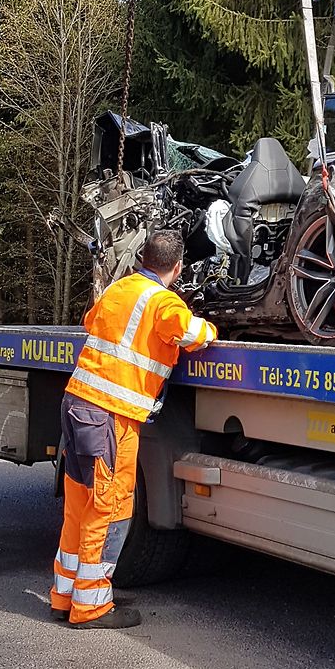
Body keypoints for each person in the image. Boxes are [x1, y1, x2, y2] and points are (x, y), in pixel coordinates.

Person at [50, 230, 217, 629]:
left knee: (80, 504)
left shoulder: (118, 288)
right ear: (177, 267)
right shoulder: (163, 301)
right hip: (111, 415)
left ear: (144, 259)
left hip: (78, 404)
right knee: (108, 507)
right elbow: (191, 333)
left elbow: (91, 321)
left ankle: (64, 596)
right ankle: (90, 606)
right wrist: (209, 330)